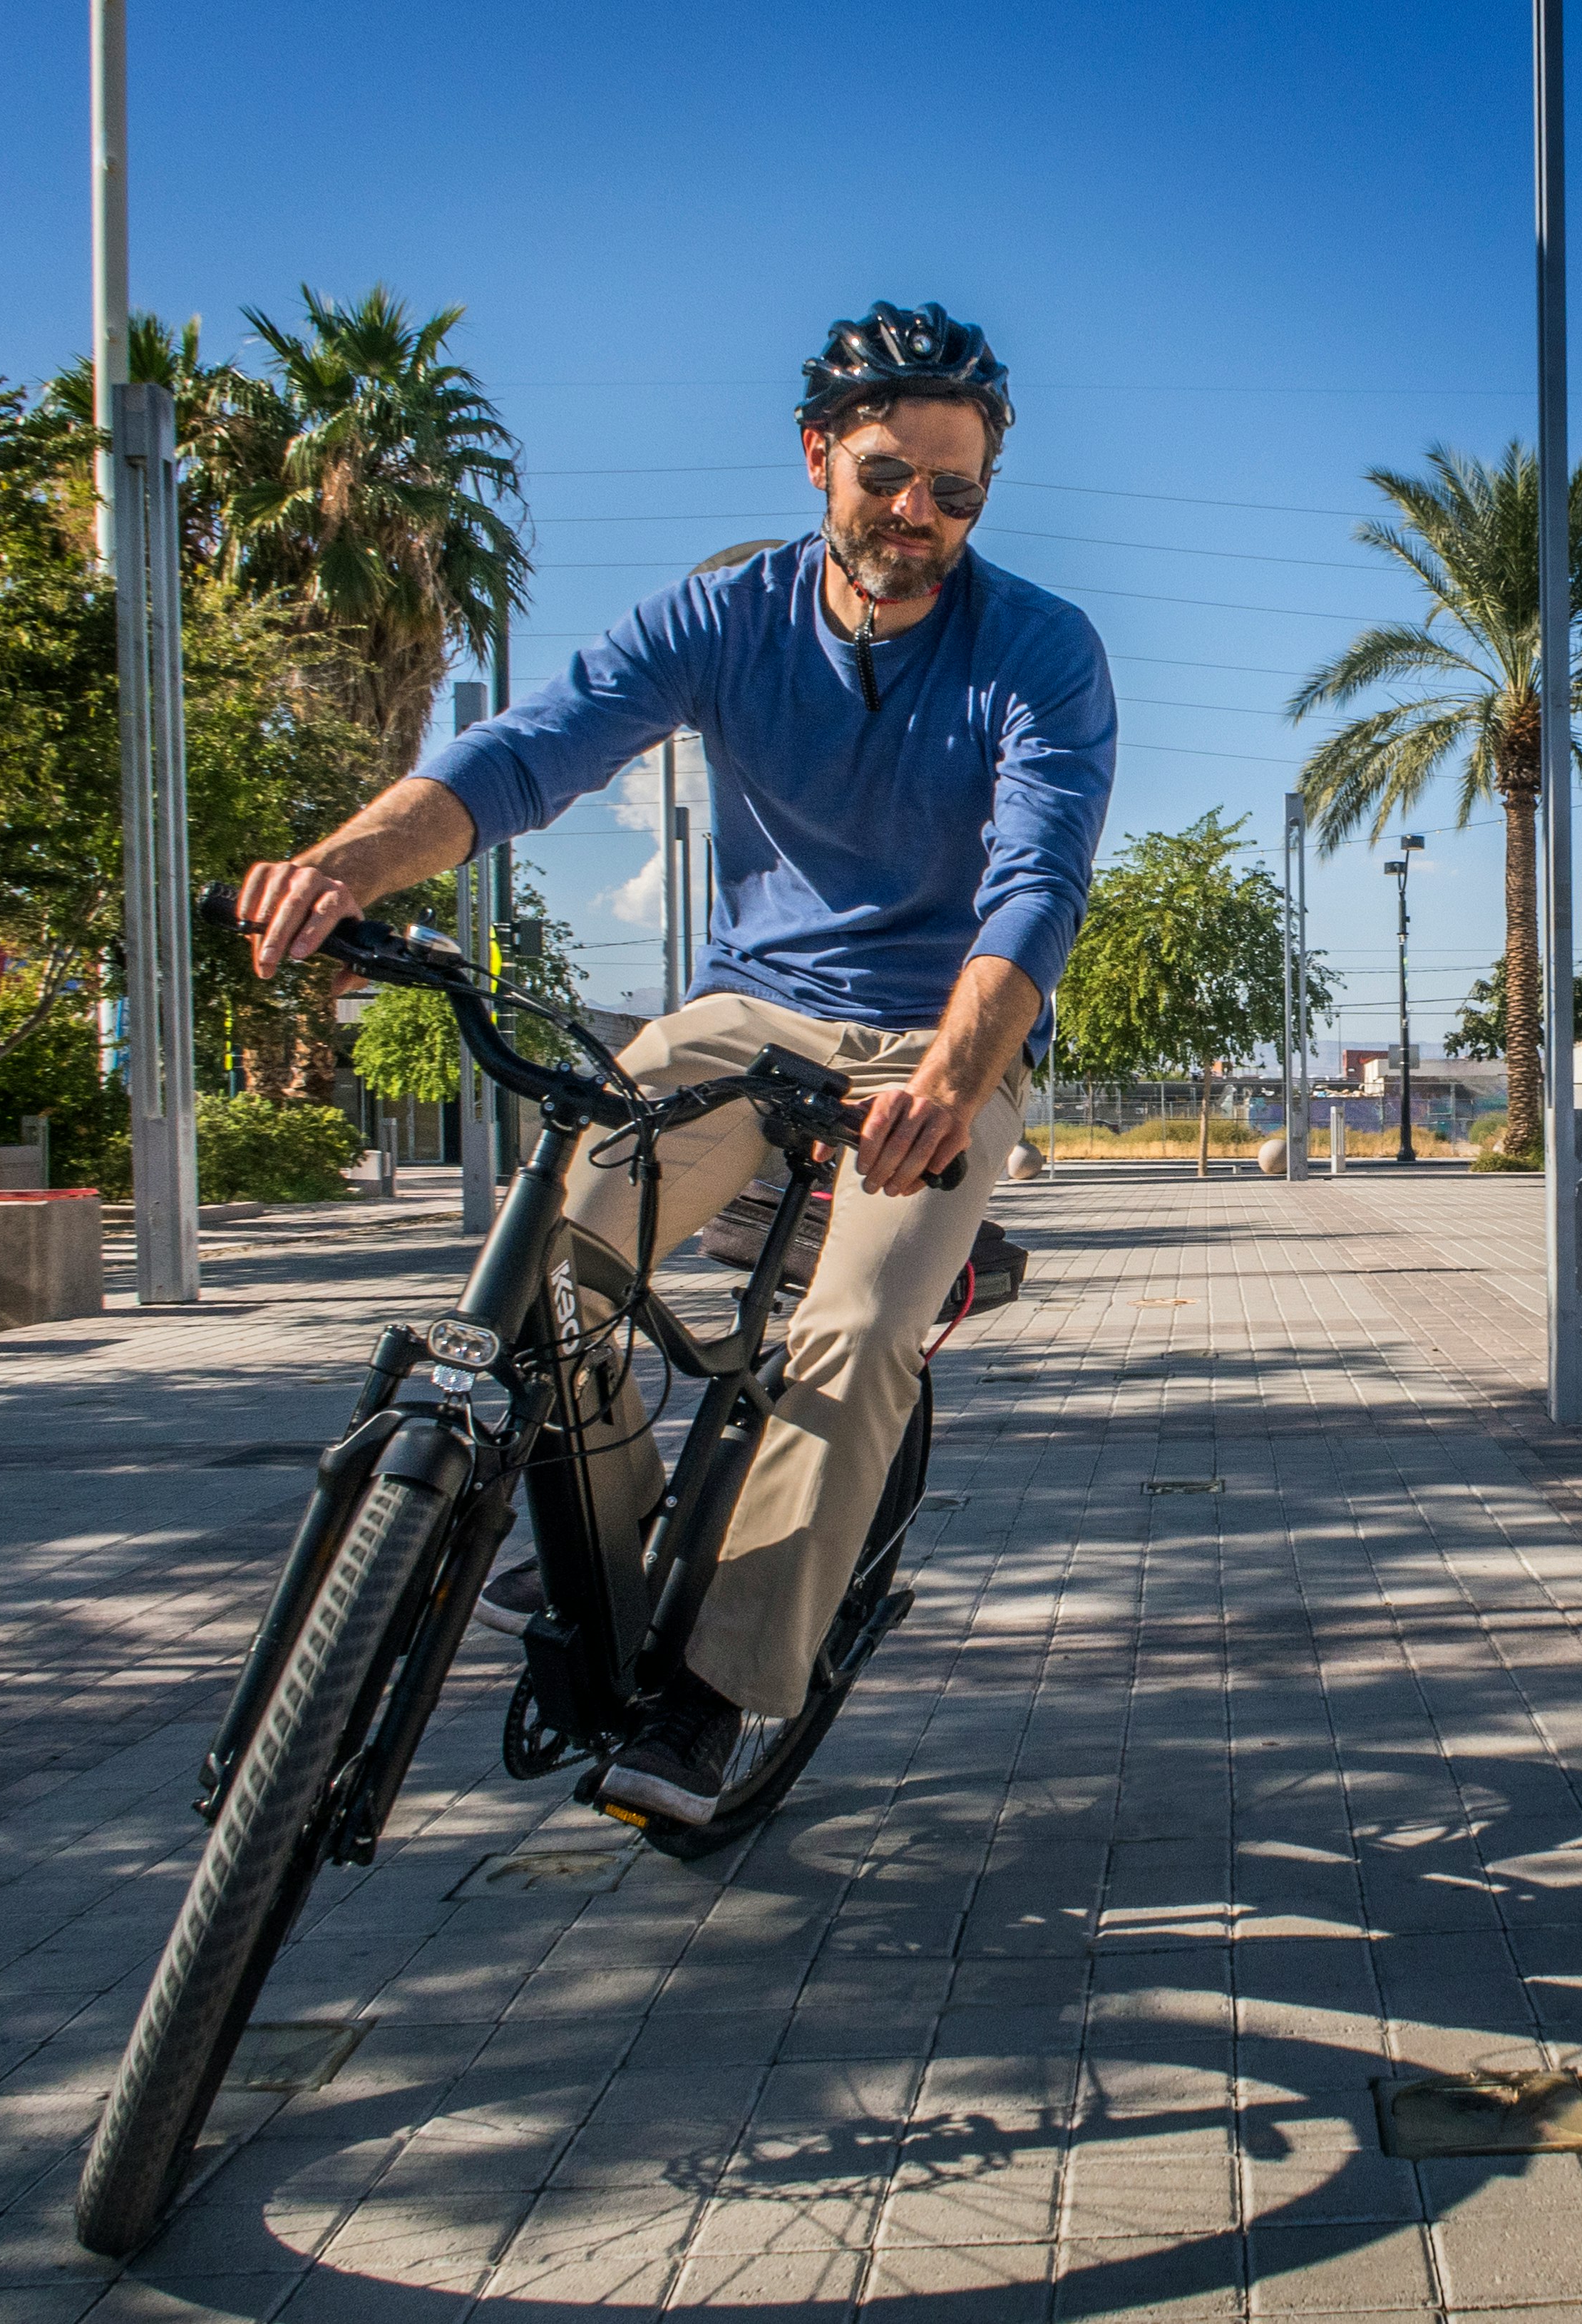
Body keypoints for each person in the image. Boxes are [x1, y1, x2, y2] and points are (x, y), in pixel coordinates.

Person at [232, 300, 1114, 1826]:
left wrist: (955, 1079)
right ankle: (632, 1551)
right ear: (815, 456)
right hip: (746, 1010)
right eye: (888, 476)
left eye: (955, 492)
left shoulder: (1039, 649)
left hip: (937, 1037)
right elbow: (533, 750)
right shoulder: (724, 617)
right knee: (551, 1255)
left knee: (859, 1324)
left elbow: (1034, 883)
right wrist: (353, 865)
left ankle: (717, 1693)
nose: (917, 516)